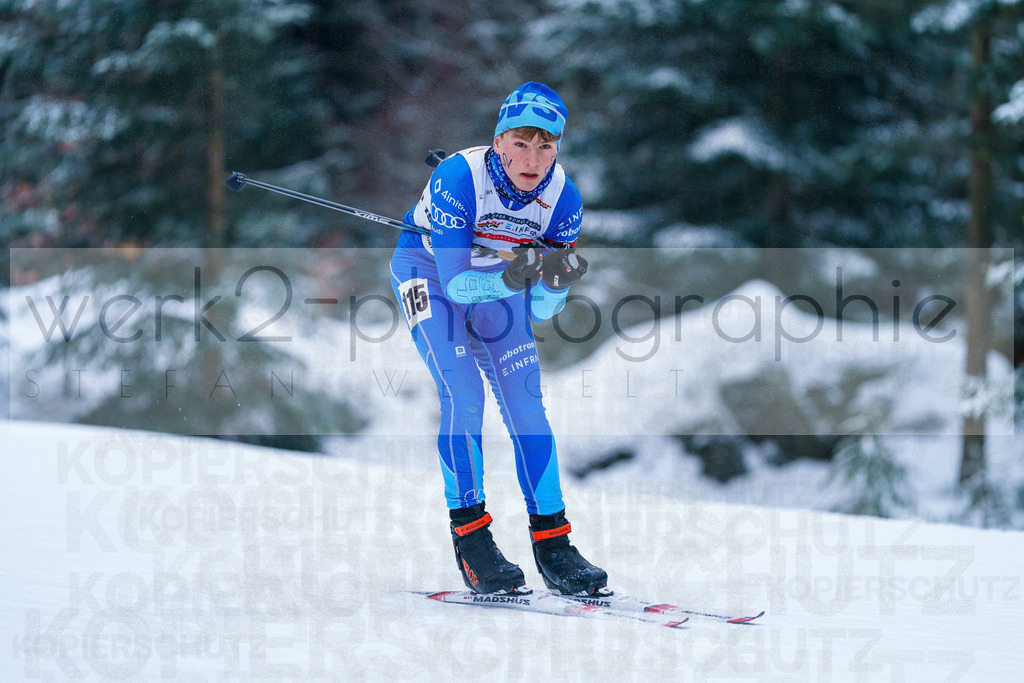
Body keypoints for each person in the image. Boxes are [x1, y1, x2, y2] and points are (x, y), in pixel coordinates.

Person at [389, 82, 608, 597]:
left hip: (496, 277)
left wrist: (556, 282)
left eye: (546, 145)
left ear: (558, 147)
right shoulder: (457, 178)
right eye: (521, 143)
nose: (533, 159)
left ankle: (553, 545)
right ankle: (471, 540)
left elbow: (541, 310)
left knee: (527, 405)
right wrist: (515, 277)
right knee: (464, 393)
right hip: (429, 272)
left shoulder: (564, 202)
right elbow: (460, 285)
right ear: (498, 140)